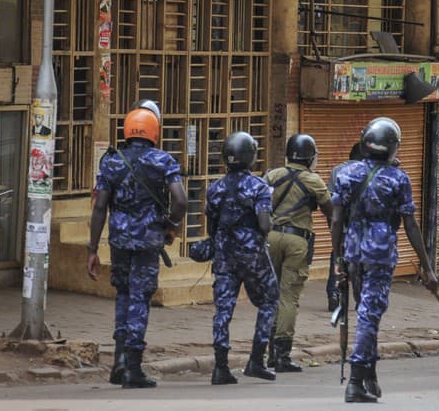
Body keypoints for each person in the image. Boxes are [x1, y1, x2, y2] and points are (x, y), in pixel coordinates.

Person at [331, 117, 438, 403]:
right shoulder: (398, 179)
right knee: (369, 313)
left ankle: (370, 376)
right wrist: (427, 267)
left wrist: (337, 256)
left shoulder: (346, 173)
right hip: (379, 253)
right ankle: (355, 380)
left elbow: (337, 219)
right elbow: (411, 225)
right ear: (392, 147)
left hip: (353, 250)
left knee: (366, 312)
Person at [87, 104, 187, 389]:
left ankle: (118, 361)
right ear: (154, 131)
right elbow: (180, 201)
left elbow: (100, 208)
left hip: (118, 241)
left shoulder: (111, 162)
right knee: (140, 299)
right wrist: (171, 224)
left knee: (123, 294)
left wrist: (92, 249)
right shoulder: (163, 161)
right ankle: (133, 367)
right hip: (148, 242)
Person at [205, 131, 279, 385]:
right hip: (253, 257)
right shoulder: (259, 187)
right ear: (251, 157)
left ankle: (220, 367)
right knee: (270, 300)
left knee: (223, 310)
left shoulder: (214, 188)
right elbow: (265, 225)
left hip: (225, 256)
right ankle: (257, 359)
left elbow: (211, 226)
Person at [264, 134, 333, 372]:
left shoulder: (273, 175)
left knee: (270, 294)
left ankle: (268, 351)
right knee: (288, 296)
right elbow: (331, 212)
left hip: (270, 237)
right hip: (296, 240)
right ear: (310, 157)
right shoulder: (314, 181)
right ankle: (282, 356)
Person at [326, 142, 364, 312]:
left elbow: (331, 201)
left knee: (337, 258)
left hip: (340, 225)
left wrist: (333, 228)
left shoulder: (337, 171)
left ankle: (334, 294)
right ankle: (359, 298)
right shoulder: (369, 172)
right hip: (360, 229)